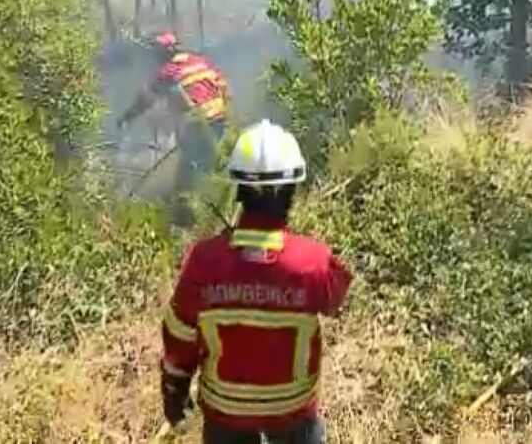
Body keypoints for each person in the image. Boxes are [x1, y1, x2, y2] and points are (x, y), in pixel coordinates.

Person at [159, 119, 354, 444]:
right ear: (292, 191)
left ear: (239, 189)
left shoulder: (203, 261)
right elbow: (338, 298)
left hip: (225, 424)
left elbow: (178, 335)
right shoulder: (314, 262)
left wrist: (175, 391)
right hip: (294, 423)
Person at [117, 29, 229, 222]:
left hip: (198, 125)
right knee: (209, 167)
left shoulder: (169, 70)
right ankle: (214, 212)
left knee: (186, 177)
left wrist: (127, 117)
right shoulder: (202, 61)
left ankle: (185, 221)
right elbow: (225, 89)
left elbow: (146, 100)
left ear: (162, 53)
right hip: (219, 121)